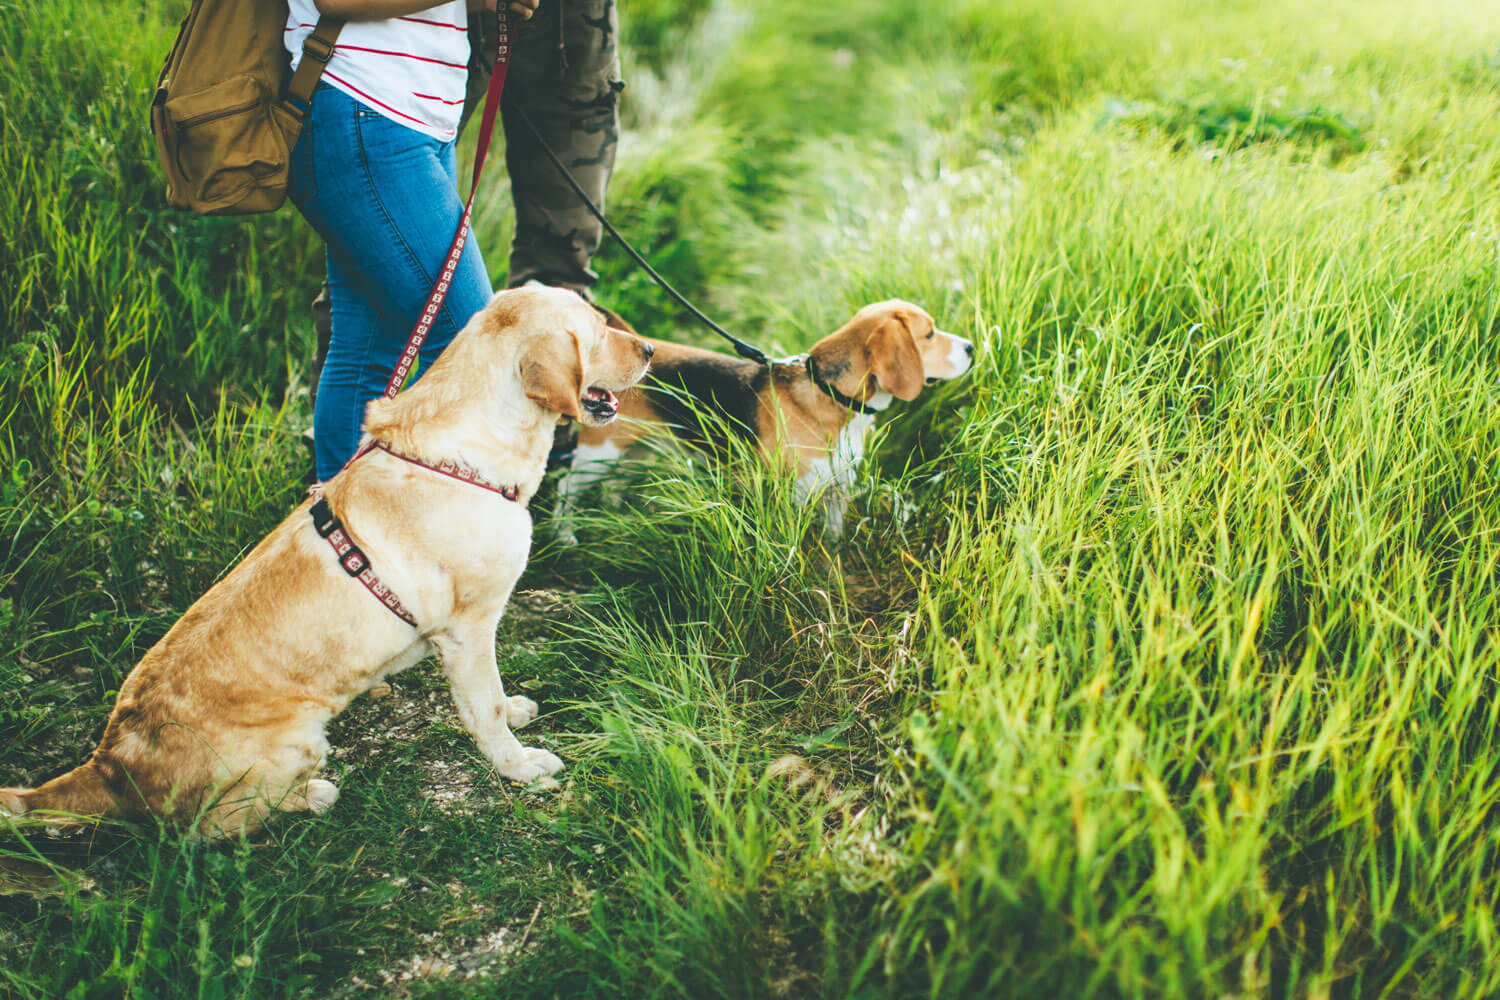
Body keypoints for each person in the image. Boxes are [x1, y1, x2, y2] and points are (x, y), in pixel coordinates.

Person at [291, 0, 624, 481]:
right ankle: (428, 524)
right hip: (370, 107)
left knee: (368, 347)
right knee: (474, 343)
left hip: (408, 116)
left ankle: (342, 532)